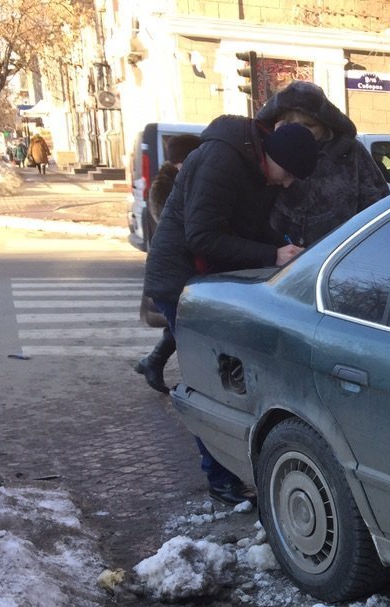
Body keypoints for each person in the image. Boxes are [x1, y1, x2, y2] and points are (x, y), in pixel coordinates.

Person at [142, 115, 319, 507]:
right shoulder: (223, 160)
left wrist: (286, 247)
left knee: (220, 376)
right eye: (288, 173)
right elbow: (203, 235)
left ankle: (226, 470)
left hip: (207, 282)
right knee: (207, 380)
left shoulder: (256, 168)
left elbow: (248, 226)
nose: (287, 183)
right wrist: (271, 254)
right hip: (182, 282)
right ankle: (219, 478)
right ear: (273, 156)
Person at [255, 81, 389, 246]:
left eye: (309, 125)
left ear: (326, 126)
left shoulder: (351, 153)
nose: (301, 132)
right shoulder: (267, 150)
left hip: (336, 257)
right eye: (291, 125)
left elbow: (377, 204)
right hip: (279, 258)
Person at [134, 133, 203, 394]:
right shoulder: (165, 186)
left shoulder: (179, 182)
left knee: (181, 325)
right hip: (170, 268)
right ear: (181, 161)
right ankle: (181, 380)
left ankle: (152, 362)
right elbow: (173, 224)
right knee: (183, 329)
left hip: (179, 269)